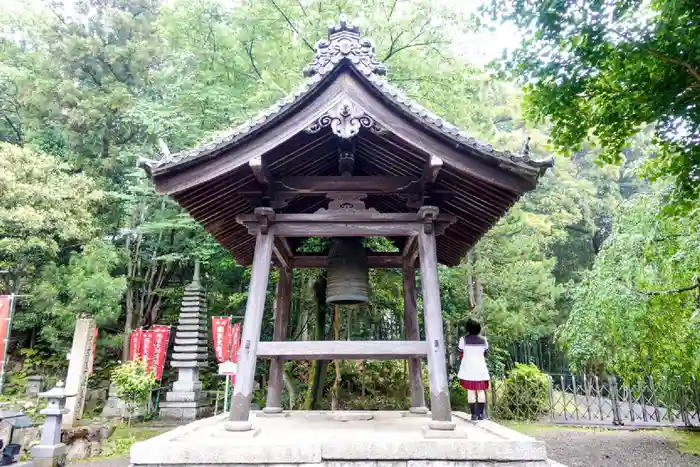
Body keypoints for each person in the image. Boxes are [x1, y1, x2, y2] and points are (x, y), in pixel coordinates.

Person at [457, 318, 490, 420]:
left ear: (468, 328)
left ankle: (473, 415)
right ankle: (480, 414)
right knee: (480, 391)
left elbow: (460, 351)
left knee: (471, 391)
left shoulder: (463, 340)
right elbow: (486, 353)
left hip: (468, 369)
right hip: (480, 369)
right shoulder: (484, 340)